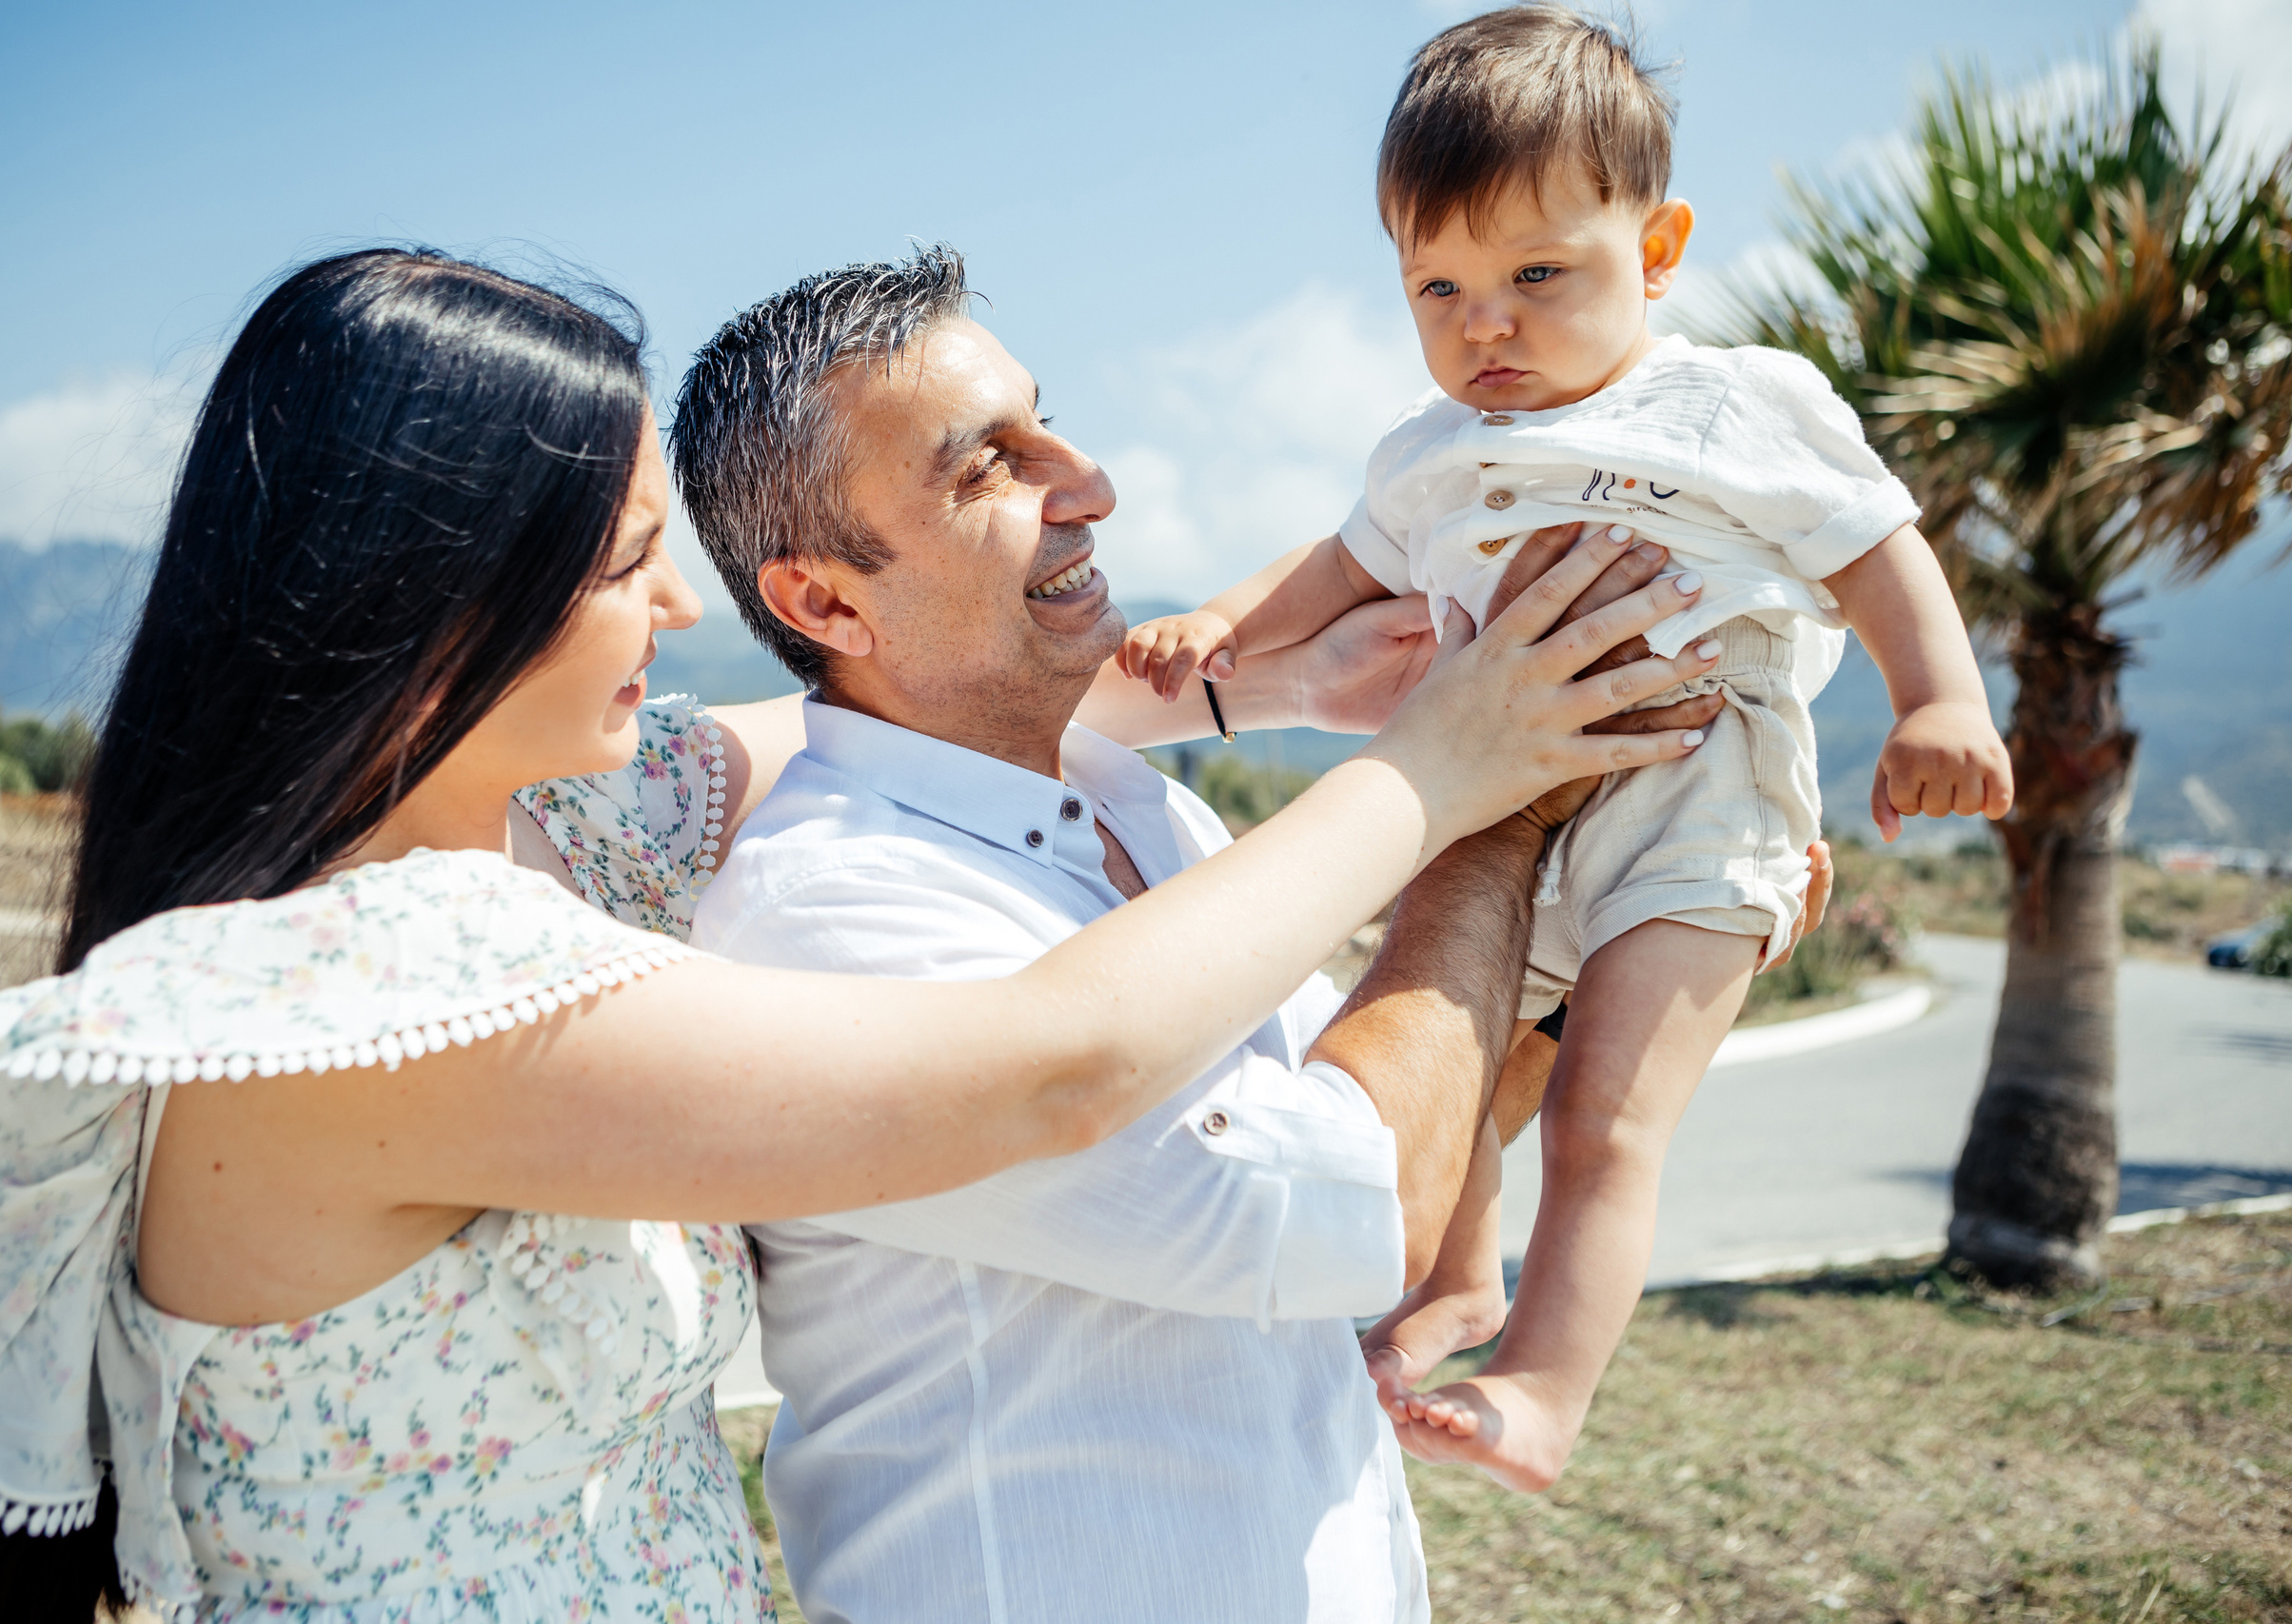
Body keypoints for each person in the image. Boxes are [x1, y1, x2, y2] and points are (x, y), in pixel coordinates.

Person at [0, 249, 1712, 1622]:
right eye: (616, 563)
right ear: (432, 618)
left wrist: (1240, 687)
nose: (678, 599)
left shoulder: (534, 832)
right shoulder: (385, 990)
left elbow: (824, 725)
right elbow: (1050, 1064)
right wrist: (1435, 773)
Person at [658, 246, 1788, 1624]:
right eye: (988, 466)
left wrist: (1642, 912)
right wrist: (1479, 792)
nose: (1088, 484)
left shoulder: (1146, 812)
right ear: (826, 601)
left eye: (1045, 420)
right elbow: (1347, 1206)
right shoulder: (834, 909)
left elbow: (1425, 1138)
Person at [1118, 4, 2015, 1491]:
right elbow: (1335, 573)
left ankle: (1544, 1379)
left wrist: (1942, 701)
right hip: (1504, 801)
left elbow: (1876, 547)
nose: (1488, 324)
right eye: (1440, 286)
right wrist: (1214, 620)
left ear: (1656, 252)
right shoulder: (1427, 448)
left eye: (1540, 274)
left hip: (1695, 799)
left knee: (1605, 1112)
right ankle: (1450, 1285)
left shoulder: (1733, 403)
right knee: (1450, 1067)